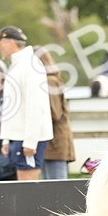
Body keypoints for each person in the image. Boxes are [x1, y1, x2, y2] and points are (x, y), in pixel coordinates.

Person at [0, 26, 52, 182]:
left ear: (10, 42)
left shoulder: (30, 64)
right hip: (18, 137)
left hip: (27, 139)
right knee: (21, 186)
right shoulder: (17, 65)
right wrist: (6, 138)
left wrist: (31, 141)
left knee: (28, 188)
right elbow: (11, 107)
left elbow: (35, 105)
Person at [37, 48, 76, 180]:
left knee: (56, 190)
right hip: (50, 144)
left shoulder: (49, 81)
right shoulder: (47, 80)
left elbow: (55, 113)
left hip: (55, 143)